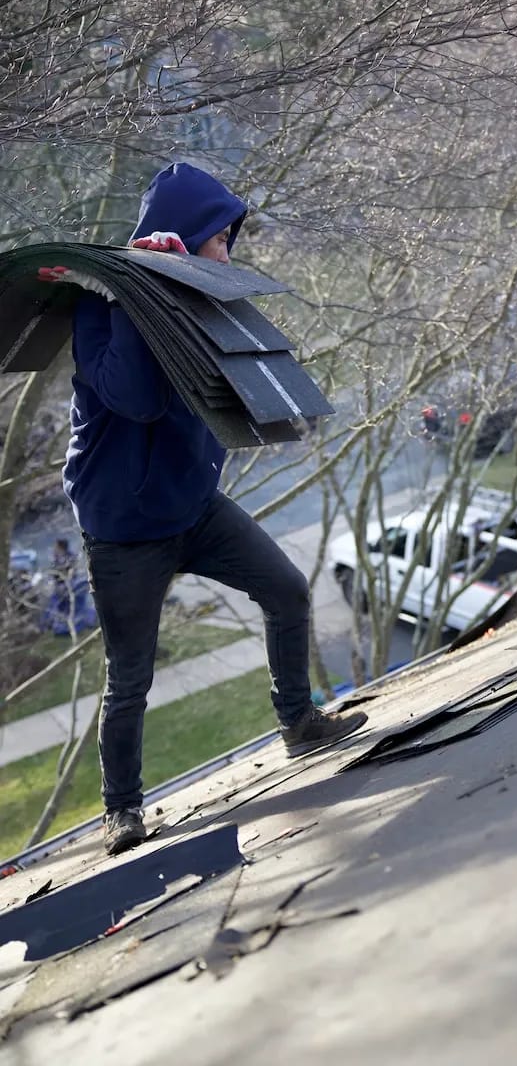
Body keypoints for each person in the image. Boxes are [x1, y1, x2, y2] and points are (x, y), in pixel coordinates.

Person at [42, 162, 368, 856]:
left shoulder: (204, 294)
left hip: (193, 508)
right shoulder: (98, 309)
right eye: (220, 239)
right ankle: (121, 811)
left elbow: (242, 377)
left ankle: (298, 723)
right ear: (187, 234)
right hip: (124, 532)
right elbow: (138, 398)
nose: (228, 254)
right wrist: (136, 296)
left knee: (286, 590)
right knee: (129, 677)